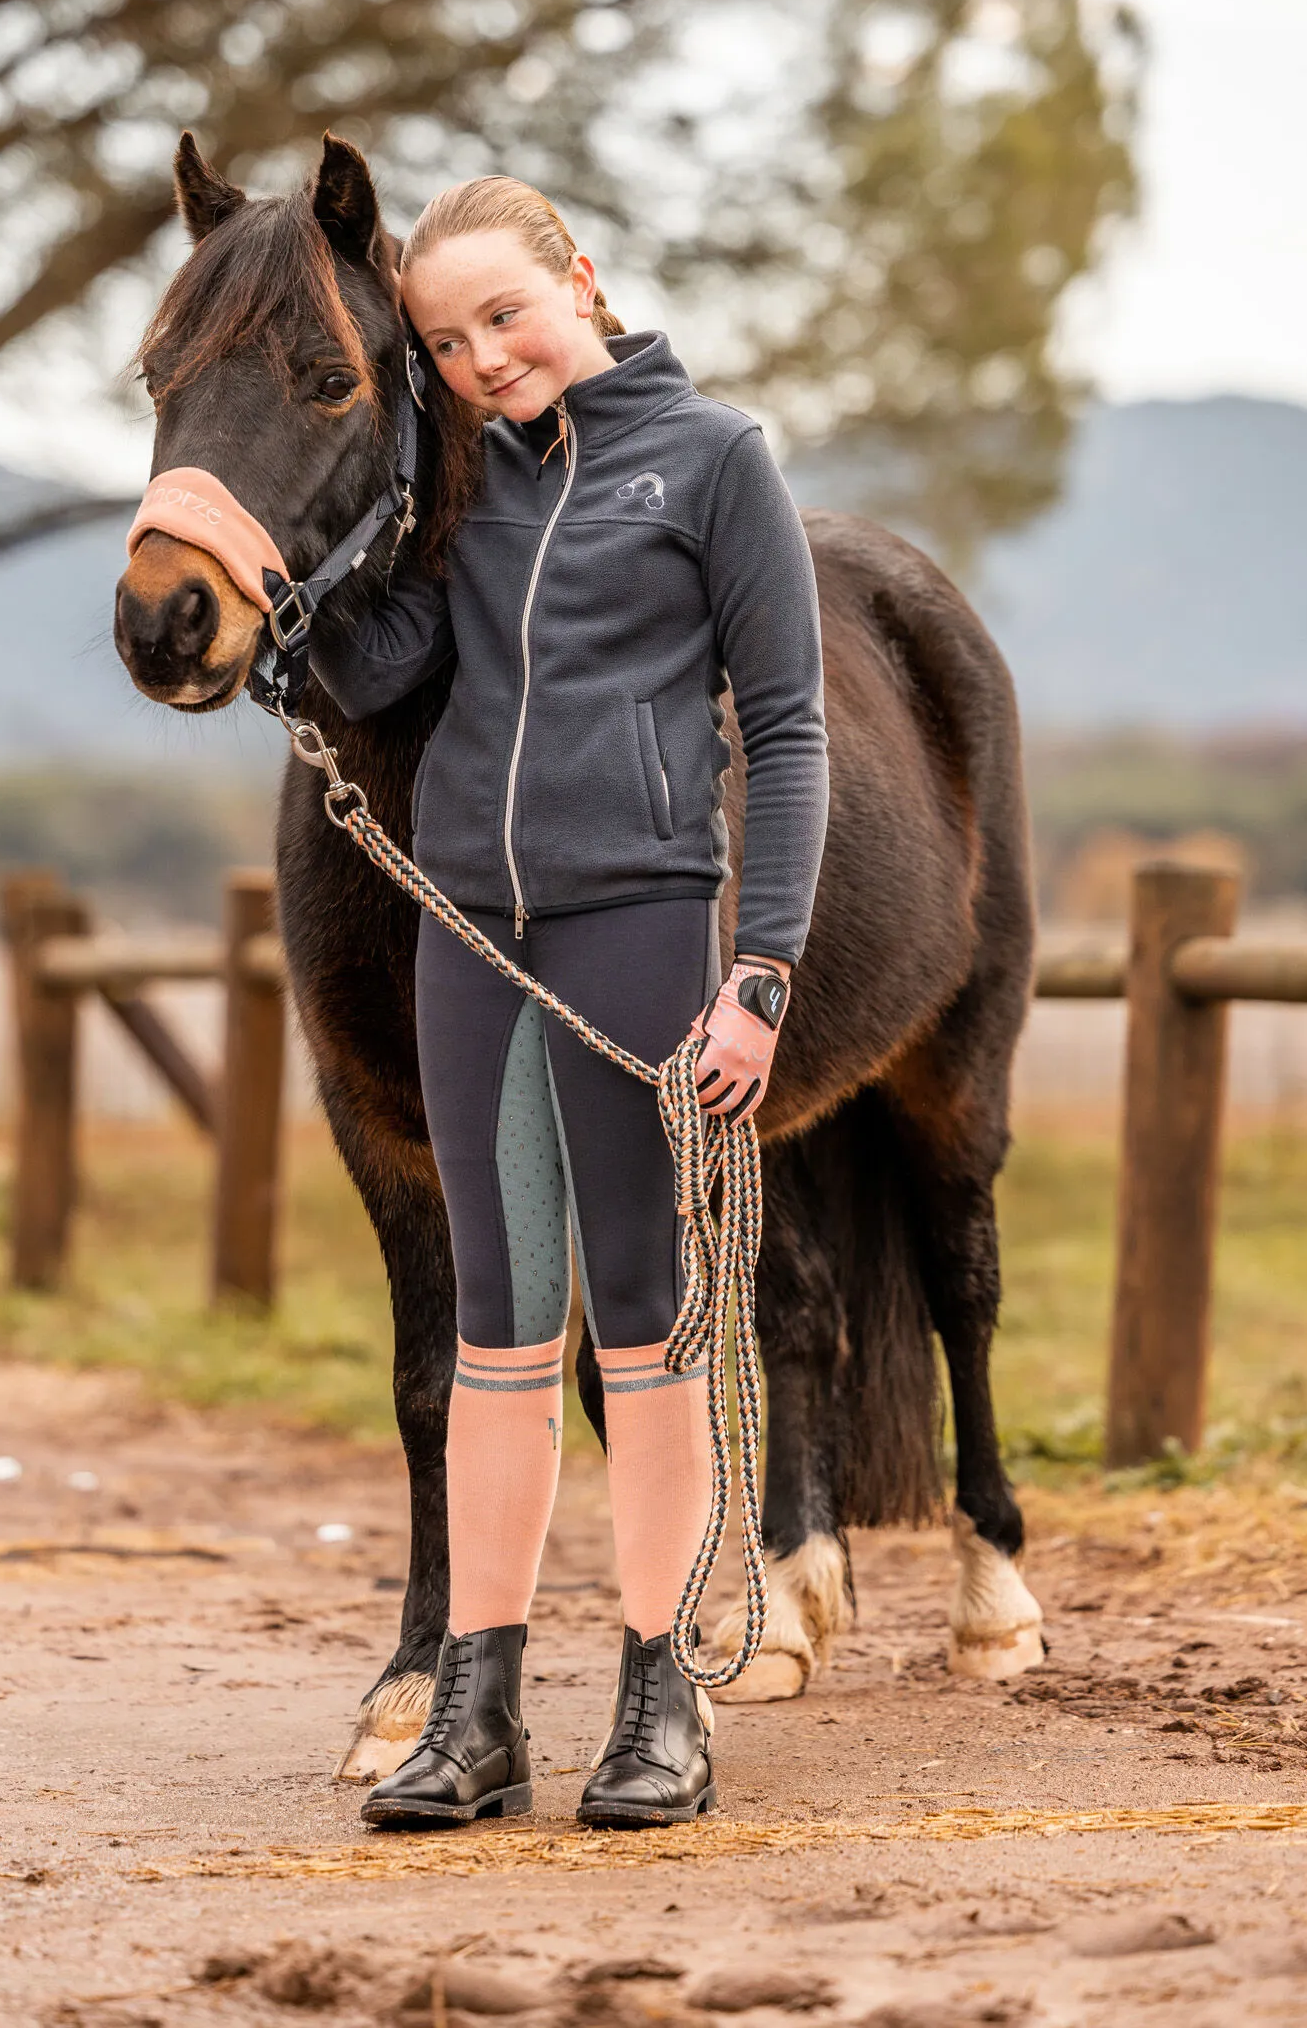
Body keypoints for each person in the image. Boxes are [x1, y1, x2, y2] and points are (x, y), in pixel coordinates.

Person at [308, 176, 829, 1829]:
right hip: (471, 934)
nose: (478, 359)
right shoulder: (460, 480)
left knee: (648, 1322)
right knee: (495, 1329)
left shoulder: (718, 458)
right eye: (445, 342)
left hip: (642, 926)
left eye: (501, 318)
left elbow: (791, 729)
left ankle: (663, 1700)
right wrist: (297, 610)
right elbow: (395, 673)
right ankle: (478, 1708)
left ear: (581, 279)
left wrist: (761, 973)